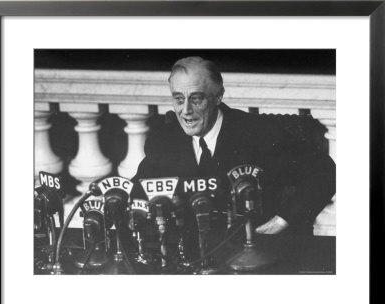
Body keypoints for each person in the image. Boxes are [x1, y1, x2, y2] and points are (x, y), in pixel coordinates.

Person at [131, 56, 336, 236]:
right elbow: (139, 190)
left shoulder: (258, 133)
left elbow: (324, 171)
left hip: (250, 249)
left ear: (218, 96)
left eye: (196, 99)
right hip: (189, 252)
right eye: (178, 99)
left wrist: (283, 221)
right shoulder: (164, 138)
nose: (185, 111)